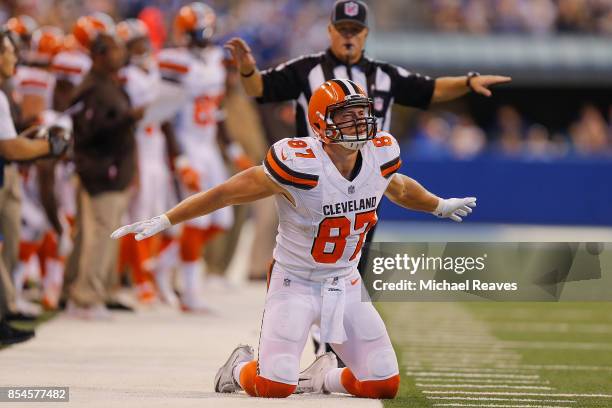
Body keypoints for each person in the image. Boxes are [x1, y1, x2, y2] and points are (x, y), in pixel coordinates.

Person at [111, 78, 477, 399]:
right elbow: (225, 193)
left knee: (383, 383)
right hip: (295, 281)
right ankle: (238, 368)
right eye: (345, 115)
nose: (359, 121)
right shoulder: (299, 163)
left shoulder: (379, 154)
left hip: (345, 282)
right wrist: (166, 218)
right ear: (321, 123)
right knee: (276, 386)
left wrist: (438, 205)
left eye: (361, 112)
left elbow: (397, 186)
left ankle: (324, 377)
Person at [225, 0, 509, 356]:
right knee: (306, 263)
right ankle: (301, 341)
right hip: (312, 184)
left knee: (353, 267)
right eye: (342, 29)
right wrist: (248, 71)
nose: (348, 36)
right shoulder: (306, 69)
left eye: (354, 30)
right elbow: (259, 90)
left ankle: (330, 349)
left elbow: (430, 90)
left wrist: (468, 81)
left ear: (365, 34)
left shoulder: (384, 74)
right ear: (330, 31)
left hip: (365, 180)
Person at [157, 2, 251, 311]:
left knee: (220, 220)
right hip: (187, 143)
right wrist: (181, 161)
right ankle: (190, 293)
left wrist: (234, 150)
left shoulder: (213, 58)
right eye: (198, 31)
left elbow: (218, 110)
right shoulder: (174, 62)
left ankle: (164, 261)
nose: (204, 37)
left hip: (208, 145)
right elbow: (166, 116)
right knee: (196, 222)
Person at [65, 30, 144, 319]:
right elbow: (88, 132)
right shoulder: (92, 87)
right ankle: (86, 298)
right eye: (113, 49)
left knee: (100, 235)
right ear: (98, 54)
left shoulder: (106, 84)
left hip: (112, 170)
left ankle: (90, 293)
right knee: (98, 236)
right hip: (101, 171)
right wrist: (129, 118)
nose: (120, 54)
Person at [0, 29, 70, 345]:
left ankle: (7, 309)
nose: (14, 56)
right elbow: (10, 148)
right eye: (8, 51)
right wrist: (49, 147)